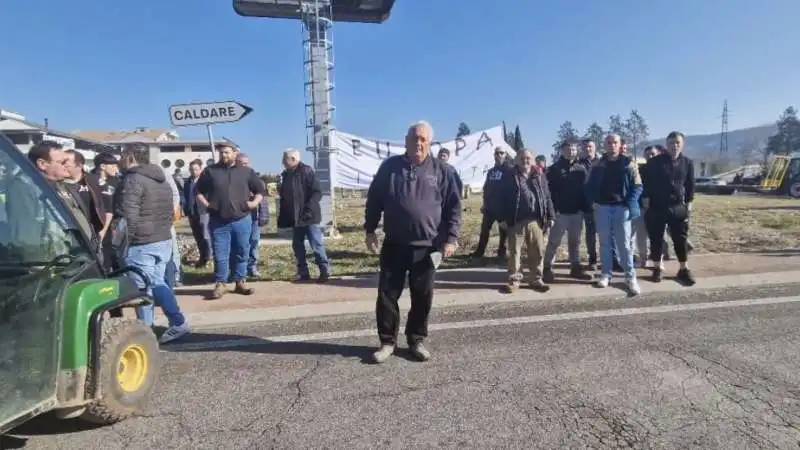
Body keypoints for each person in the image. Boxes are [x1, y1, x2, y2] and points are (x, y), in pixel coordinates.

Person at [364, 120, 461, 363]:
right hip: (395, 244)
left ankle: (416, 340)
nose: (418, 143)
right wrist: (370, 228)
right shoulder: (390, 168)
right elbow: (375, 199)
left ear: (429, 143)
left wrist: (451, 238)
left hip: (428, 247)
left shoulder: (443, 171)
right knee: (387, 295)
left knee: (423, 296)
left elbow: (454, 208)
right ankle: (387, 342)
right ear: (406, 141)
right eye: (413, 138)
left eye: (423, 139)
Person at [114, 142, 189, 343]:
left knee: (142, 287)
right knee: (156, 282)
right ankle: (172, 321)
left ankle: (148, 331)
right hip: (161, 238)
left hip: (140, 242)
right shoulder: (161, 179)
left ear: (130, 156)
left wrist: (118, 243)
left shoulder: (133, 180)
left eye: (122, 155)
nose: (119, 160)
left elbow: (128, 215)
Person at [196, 143, 266, 299]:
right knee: (221, 253)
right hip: (218, 222)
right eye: (221, 153)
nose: (223, 155)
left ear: (235, 153)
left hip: (242, 220)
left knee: (242, 251)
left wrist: (254, 203)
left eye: (227, 152)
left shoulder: (246, 172)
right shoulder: (211, 171)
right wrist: (208, 206)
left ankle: (240, 281)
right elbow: (198, 192)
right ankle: (221, 283)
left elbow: (260, 191)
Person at [584, 133, 643, 295]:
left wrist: (630, 203)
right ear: (605, 145)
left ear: (620, 145)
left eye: (614, 142)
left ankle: (630, 277)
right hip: (602, 208)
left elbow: (638, 186)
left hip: (622, 209)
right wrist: (593, 202)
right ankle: (606, 274)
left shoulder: (629, 163)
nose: (611, 145)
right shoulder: (597, 164)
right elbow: (587, 185)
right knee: (604, 244)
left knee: (624, 245)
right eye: (608, 142)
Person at [643, 131, 696, 286]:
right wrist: (646, 204)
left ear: (682, 144)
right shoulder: (655, 162)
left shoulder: (688, 162)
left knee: (680, 238)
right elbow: (646, 184)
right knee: (656, 239)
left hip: (678, 207)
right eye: (672, 143)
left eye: (678, 143)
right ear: (666, 145)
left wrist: (689, 206)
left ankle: (683, 268)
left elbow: (690, 186)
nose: (675, 146)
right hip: (657, 206)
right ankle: (658, 267)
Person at [499, 149, 554, 293]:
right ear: (517, 160)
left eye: (528, 158)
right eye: (522, 158)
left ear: (533, 160)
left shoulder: (539, 175)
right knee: (515, 252)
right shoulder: (509, 175)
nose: (525, 160)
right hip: (516, 220)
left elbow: (547, 197)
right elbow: (501, 198)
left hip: (535, 220)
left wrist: (550, 216)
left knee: (537, 250)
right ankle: (514, 280)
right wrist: (502, 218)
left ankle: (536, 279)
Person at [277, 148, 331, 283]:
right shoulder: (286, 174)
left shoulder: (306, 171)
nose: (283, 162)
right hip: (295, 218)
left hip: (308, 216)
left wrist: (309, 208)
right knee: (297, 246)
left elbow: (317, 192)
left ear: (293, 159)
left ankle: (324, 271)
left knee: (316, 244)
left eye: (285, 159)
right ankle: (303, 272)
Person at [543, 138, 591, 281]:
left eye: (574, 149)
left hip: (577, 213)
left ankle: (575, 268)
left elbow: (585, 190)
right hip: (560, 213)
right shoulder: (554, 169)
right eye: (569, 149)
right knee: (554, 242)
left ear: (577, 151)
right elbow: (548, 192)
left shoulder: (581, 169)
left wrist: (584, 208)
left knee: (574, 242)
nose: (571, 151)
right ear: (563, 150)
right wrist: (552, 211)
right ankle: (547, 268)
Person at [472, 146, 510, 259]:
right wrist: (484, 203)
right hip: (489, 208)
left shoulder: (509, 170)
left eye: (501, 153)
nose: (499, 155)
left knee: (503, 232)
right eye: (497, 153)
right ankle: (479, 252)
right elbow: (486, 188)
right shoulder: (491, 172)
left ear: (505, 155)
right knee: (484, 230)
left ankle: (501, 254)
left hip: (503, 209)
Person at [235, 152, 269, 278]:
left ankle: (252, 266)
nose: (244, 166)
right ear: (236, 163)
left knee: (253, 243)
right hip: (239, 217)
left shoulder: (255, 179)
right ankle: (238, 269)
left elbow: (263, 200)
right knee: (240, 244)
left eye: (246, 163)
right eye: (241, 163)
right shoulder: (233, 179)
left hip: (253, 217)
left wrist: (263, 217)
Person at [63, 149, 109, 238]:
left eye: (66, 164)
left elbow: (108, 211)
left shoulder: (96, 182)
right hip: (69, 231)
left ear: (79, 166)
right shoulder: (58, 183)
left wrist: (102, 234)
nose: (63, 166)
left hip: (93, 233)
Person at [183, 159, 211, 268]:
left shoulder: (206, 181)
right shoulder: (188, 182)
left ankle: (209, 257)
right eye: (191, 169)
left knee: (206, 235)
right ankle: (203, 258)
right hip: (192, 213)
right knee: (198, 236)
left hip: (203, 212)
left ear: (201, 169)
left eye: (196, 169)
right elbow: (185, 197)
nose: (193, 171)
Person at [580, 138, 601, 269]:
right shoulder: (578, 164)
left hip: (603, 204)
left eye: (590, 146)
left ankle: (612, 259)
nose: (588, 149)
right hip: (586, 205)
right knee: (590, 233)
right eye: (585, 147)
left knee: (607, 234)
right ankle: (592, 259)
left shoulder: (602, 163)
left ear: (595, 148)